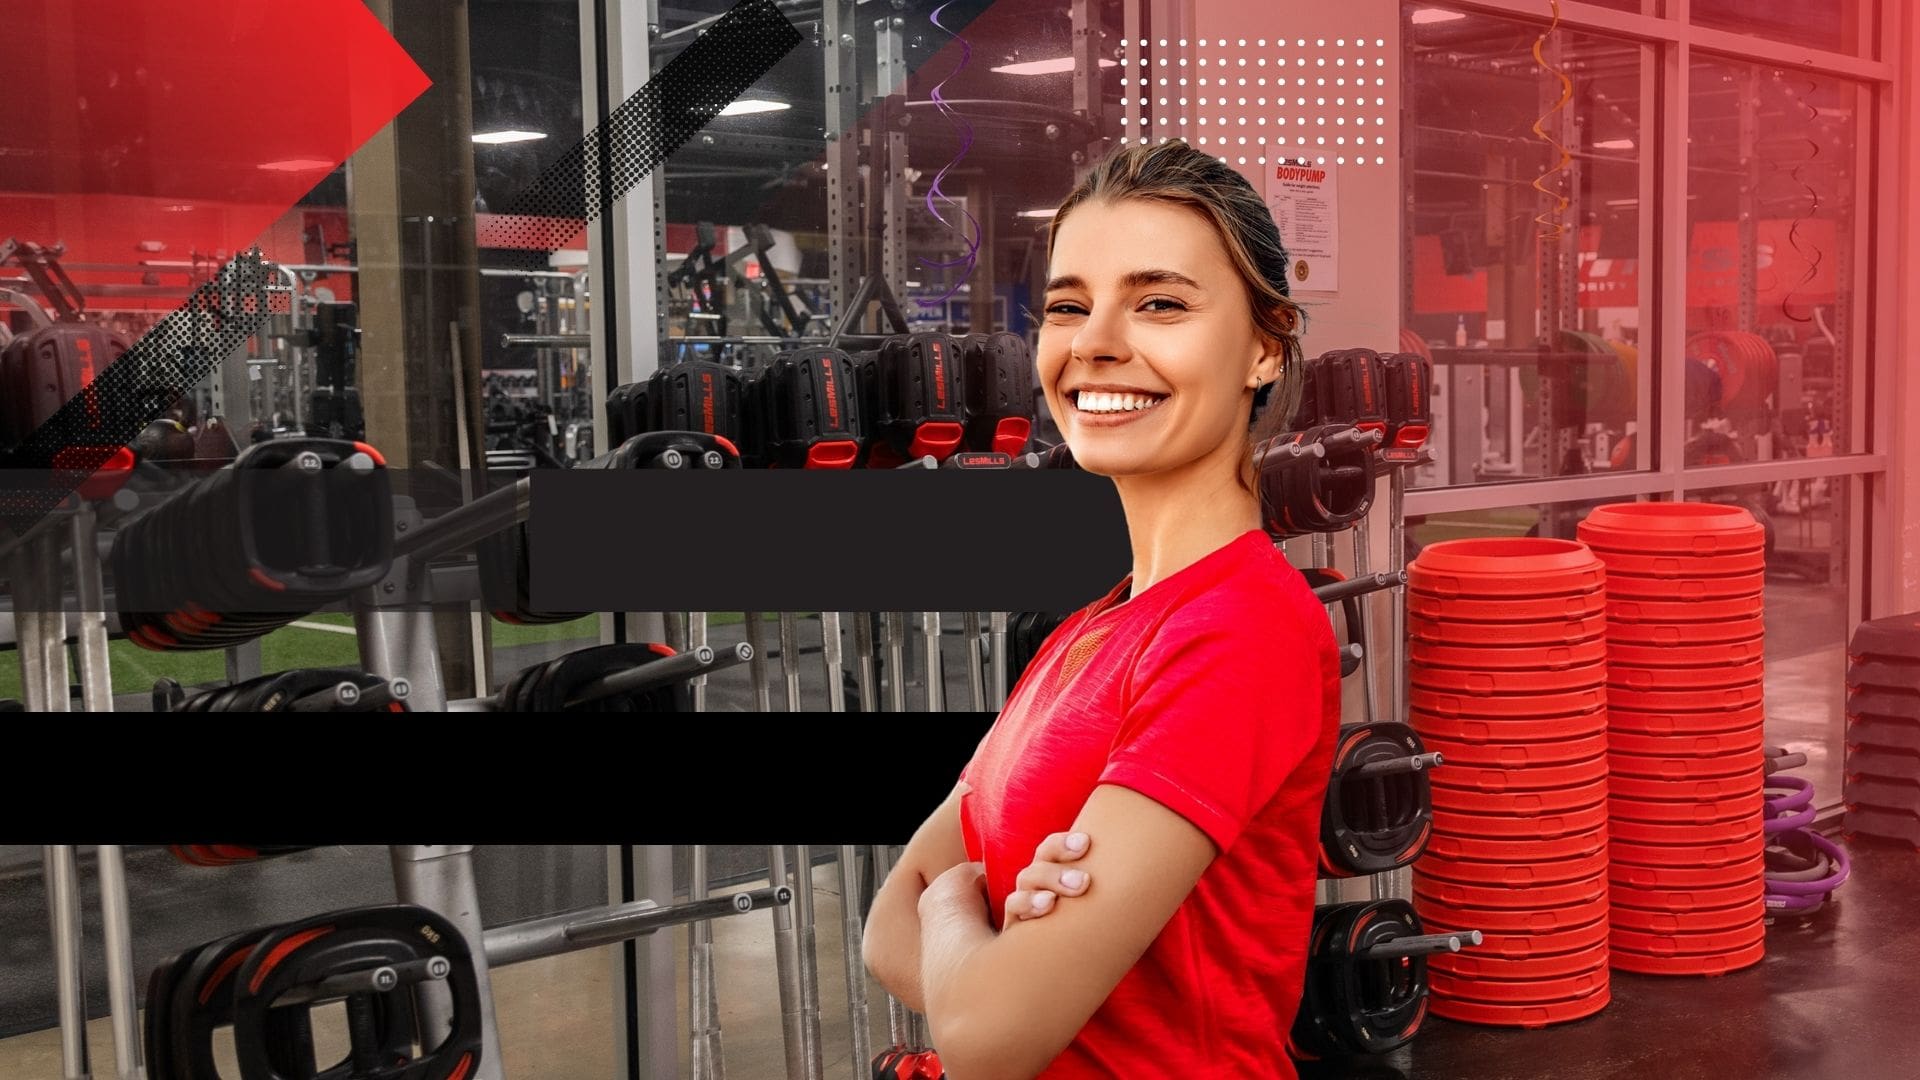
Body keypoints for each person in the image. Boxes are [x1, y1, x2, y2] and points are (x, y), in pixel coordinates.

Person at [862, 139, 1345, 1078]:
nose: (1094, 343)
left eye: (1159, 303)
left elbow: (988, 1032)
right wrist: (987, 958)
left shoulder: (1241, 631)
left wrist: (955, 909)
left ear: (1264, 347)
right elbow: (885, 931)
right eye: (1069, 306)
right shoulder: (1092, 630)